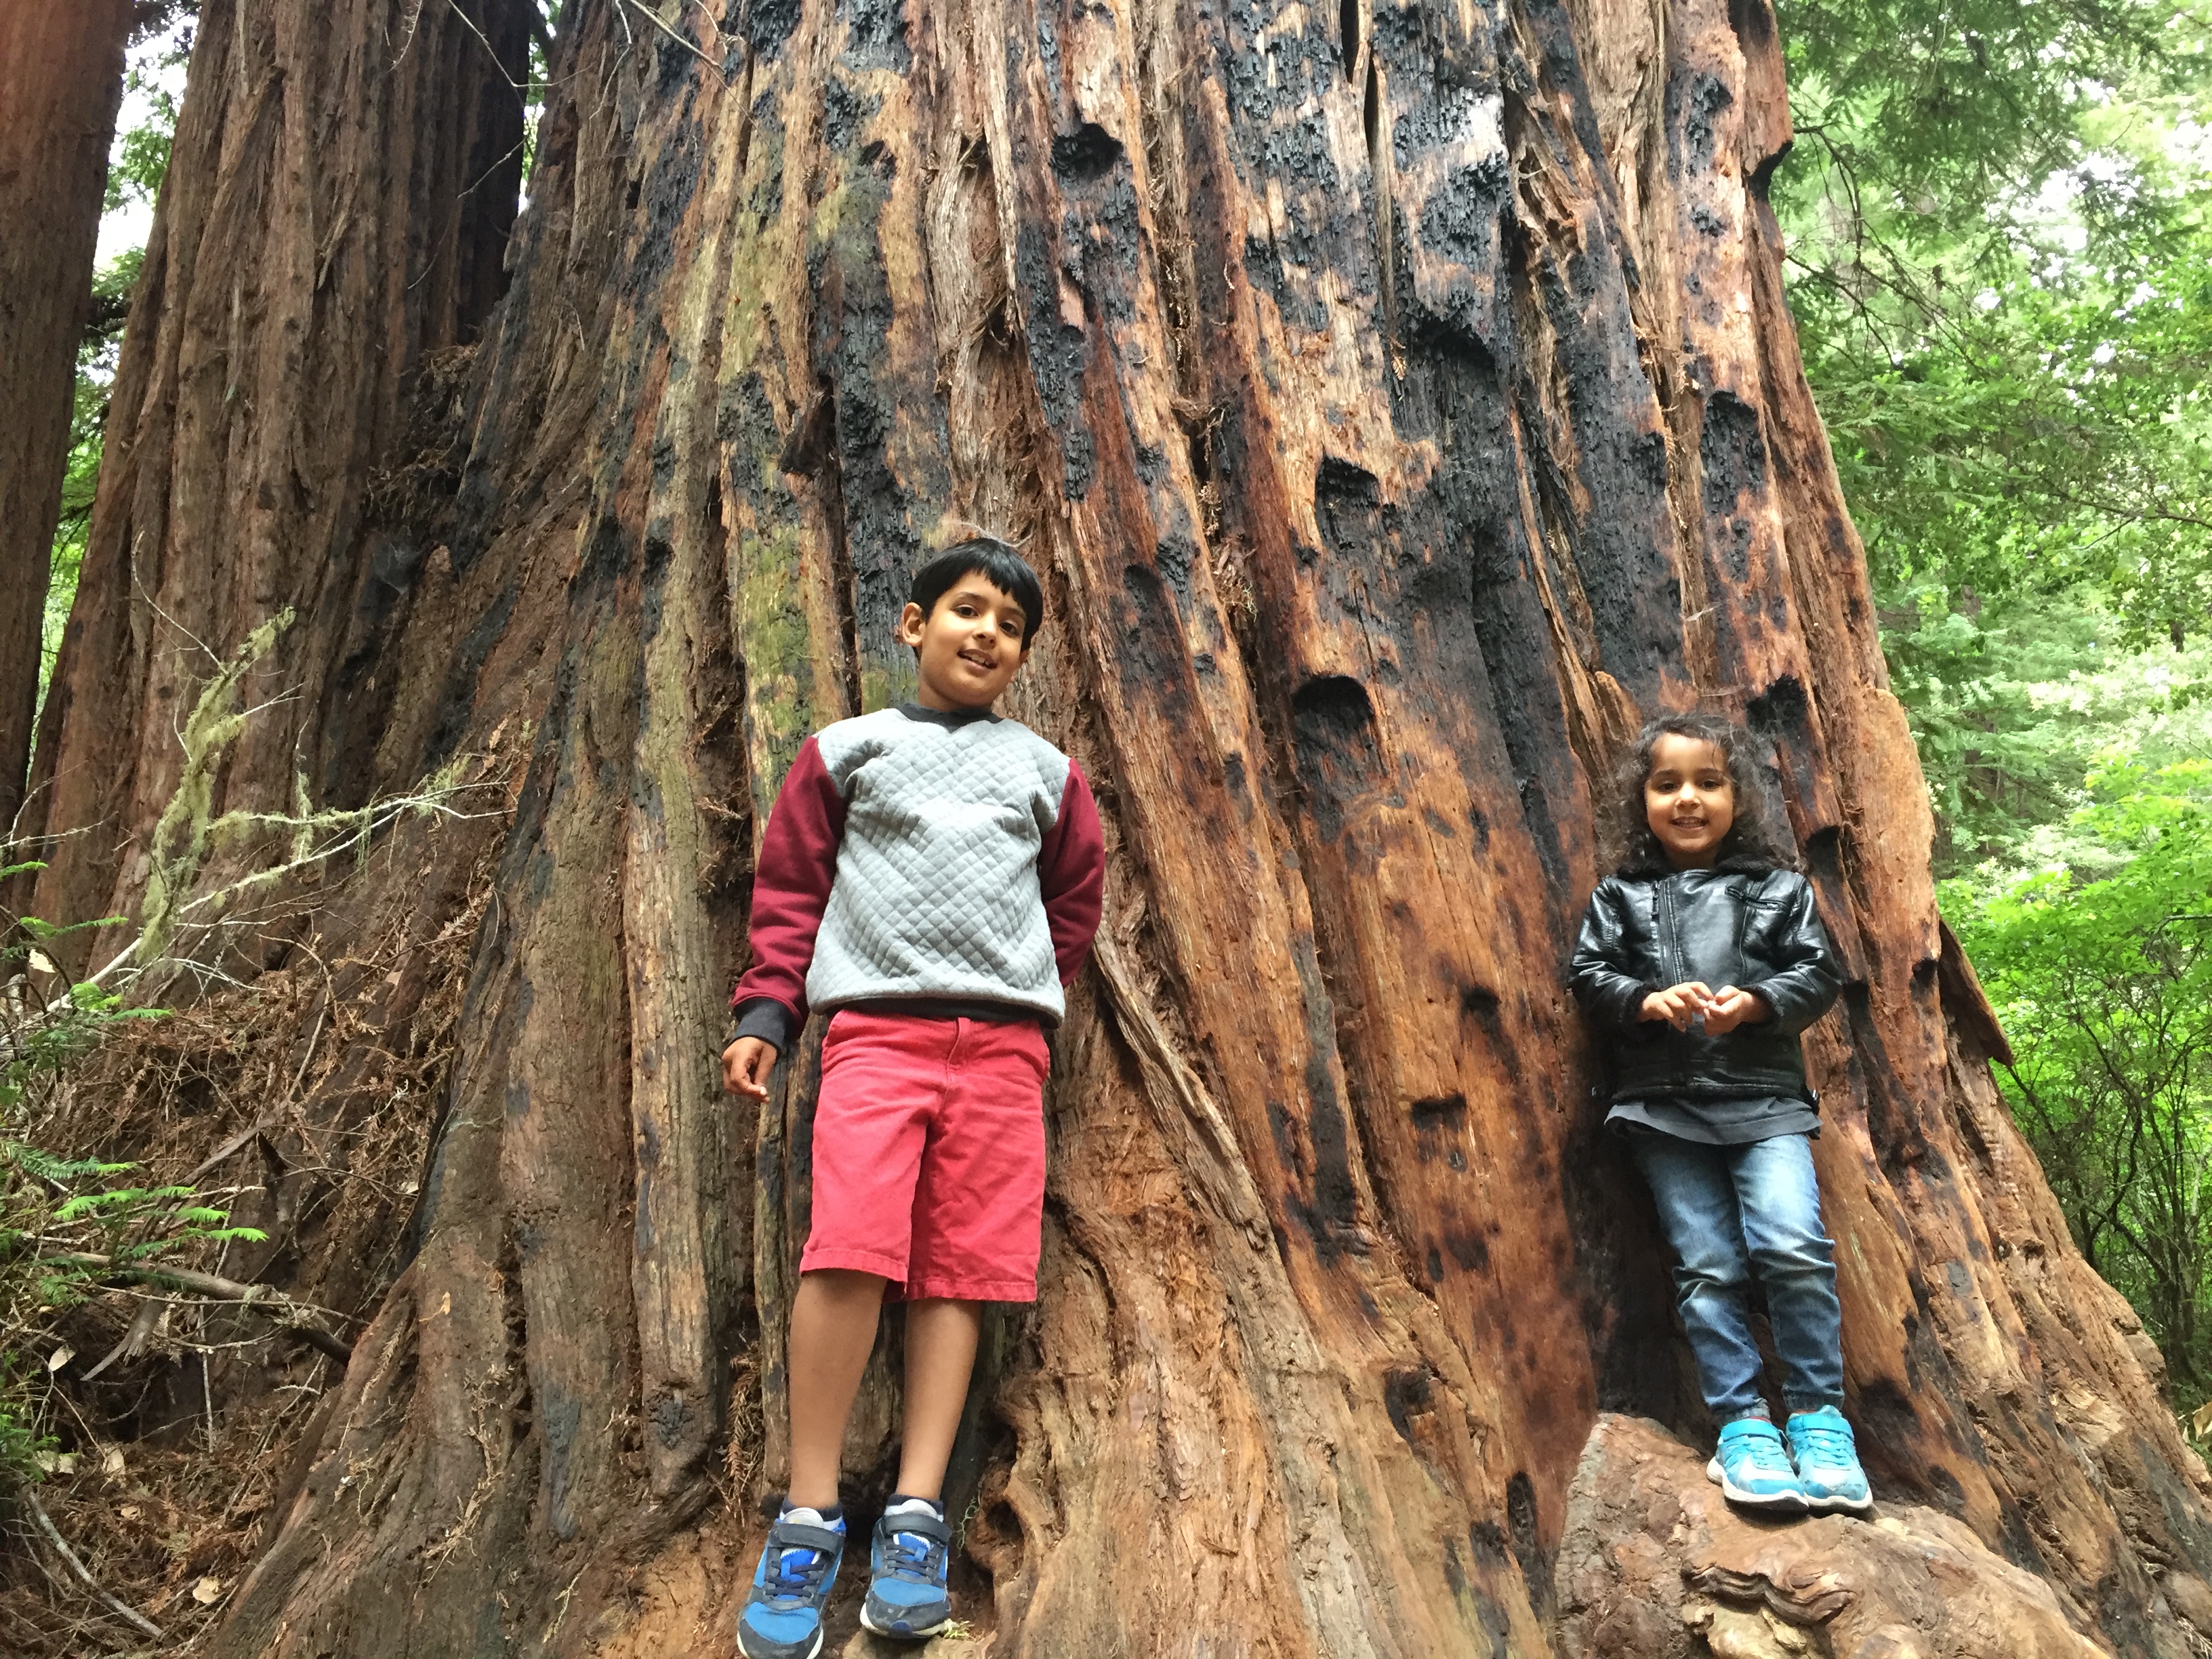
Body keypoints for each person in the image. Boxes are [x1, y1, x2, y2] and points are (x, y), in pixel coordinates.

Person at [722, 538, 1104, 1656]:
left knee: (960, 1271)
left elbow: (1070, 898)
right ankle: (805, 1515)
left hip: (999, 1049)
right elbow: (790, 890)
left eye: (1008, 624)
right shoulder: (849, 752)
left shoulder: (1044, 772)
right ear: (913, 624)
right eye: (966, 610)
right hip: (873, 1035)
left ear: (1022, 654)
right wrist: (764, 1014)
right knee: (845, 1251)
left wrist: (1026, 985)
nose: (985, 632)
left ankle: (914, 1514)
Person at [1568, 714, 1870, 1517]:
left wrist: (1759, 1002)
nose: (1689, 799)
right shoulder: (1620, 897)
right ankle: (1742, 1425)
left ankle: (1819, 1419)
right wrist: (1644, 999)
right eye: (1667, 784)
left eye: (1708, 781)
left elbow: (1818, 974)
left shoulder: (1780, 890)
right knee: (1708, 1265)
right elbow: (1588, 975)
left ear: (1738, 797)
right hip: (1665, 1110)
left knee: (1794, 1244)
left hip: (1767, 1103)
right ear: (1642, 802)